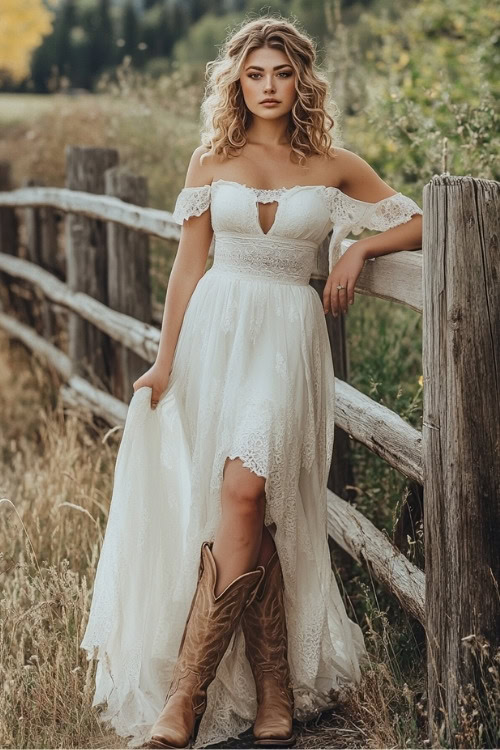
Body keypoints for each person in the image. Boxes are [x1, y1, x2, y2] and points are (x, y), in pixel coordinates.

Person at [80, 15, 423, 750]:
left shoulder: (333, 163)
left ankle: (185, 698)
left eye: (282, 73)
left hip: (286, 337)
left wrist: (359, 248)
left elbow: (419, 220)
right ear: (237, 80)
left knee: (245, 488)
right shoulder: (212, 159)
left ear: (302, 80)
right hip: (216, 332)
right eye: (255, 73)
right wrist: (166, 361)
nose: (268, 87)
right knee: (244, 502)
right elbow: (187, 266)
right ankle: (272, 690)